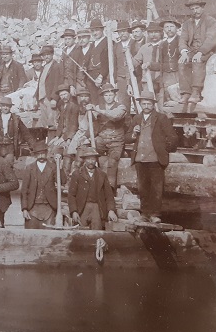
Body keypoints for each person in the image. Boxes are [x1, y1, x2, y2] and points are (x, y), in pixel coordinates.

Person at [124, 91, 178, 223]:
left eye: (149, 103)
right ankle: (145, 214)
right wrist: (133, 134)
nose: (146, 105)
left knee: (156, 188)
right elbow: (127, 137)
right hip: (140, 159)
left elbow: (173, 137)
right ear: (140, 104)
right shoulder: (137, 118)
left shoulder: (161, 118)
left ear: (153, 104)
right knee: (143, 188)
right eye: (144, 103)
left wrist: (164, 150)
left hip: (155, 159)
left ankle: (155, 214)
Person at [179, 0, 216, 112]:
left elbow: (211, 39)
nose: (195, 11)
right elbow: (183, 39)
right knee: (182, 62)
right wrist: (184, 52)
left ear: (202, 8)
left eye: (197, 8)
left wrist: (201, 52)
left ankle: (196, 91)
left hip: (207, 50)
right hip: (192, 50)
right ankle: (186, 92)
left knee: (197, 61)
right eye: (192, 9)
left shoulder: (210, 21)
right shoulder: (187, 23)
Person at [67, 146, 117, 230]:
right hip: (82, 208)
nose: (91, 162)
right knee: (81, 233)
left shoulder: (102, 175)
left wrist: (111, 210)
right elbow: (71, 195)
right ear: (84, 160)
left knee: (97, 233)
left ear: (96, 160)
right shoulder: (77, 174)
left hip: (97, 208)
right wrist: (74, 211)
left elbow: (109, 195)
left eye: (93, 159)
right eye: (88, 159)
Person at [90, 83, 127, 186]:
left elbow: (115, 116)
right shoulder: (98, 106)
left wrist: (98, 110)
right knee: (90, 155)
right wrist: (90, 110)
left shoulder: (121, 107)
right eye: (106, 95)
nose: (108, 97)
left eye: (110, 95)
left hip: (116, 141)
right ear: (103, 96)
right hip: (101, 139)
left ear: (115, 95)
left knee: (112, 163)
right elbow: (92, 120)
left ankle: (110, 190)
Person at [21, 141, 61, 229]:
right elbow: (24, 191)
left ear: (46, 153)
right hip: (32, 207)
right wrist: (24, 209)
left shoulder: (53, 167)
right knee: (31, 236)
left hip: (49, 207)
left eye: (43, 154)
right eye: (38, 154)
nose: (41, 156)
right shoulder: (29, 168)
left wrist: (58, 164)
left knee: (50, 236)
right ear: (35, 155)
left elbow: (63, 180)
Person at [0, 95, 34, 166]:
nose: (6, 108)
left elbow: (25, 133)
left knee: (8, 166)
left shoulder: (16, 119)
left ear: (10, 107)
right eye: (4, 106)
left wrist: (33, 144)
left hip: (10, 147)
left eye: (8, 106)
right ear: (1, 106)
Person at [34, 45, 64, 134]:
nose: (46, 57)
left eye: (48, 54)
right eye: (44, 55)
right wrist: (36, 96)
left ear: (52, 54)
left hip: (50, 98)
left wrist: (54, 98)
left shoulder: (56, 66)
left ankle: (53, 141)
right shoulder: (45, 67)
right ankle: (45, 144)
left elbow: (58, 83)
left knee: (52, 122)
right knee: (44, 123)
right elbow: (41, 83)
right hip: (42, 98)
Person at [133, 22, 164, 102]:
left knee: (162, 105)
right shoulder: (144, 47)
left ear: (161, 32)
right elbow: (136, 61)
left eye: (156, 32)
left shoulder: (165, 45)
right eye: (151, 32)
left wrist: (150, 65)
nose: (153, 35)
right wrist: (129, 60)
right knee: (148, 103)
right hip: (147, 81)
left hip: (162, 82)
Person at [66, 28, 97, 100]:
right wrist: (72, 86)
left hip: (92, 82)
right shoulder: (76, 51)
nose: (81, 40)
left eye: (84, 37)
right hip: (79, 83)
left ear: (89, 37)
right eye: (79, 38)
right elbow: (70, 70)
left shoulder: (94, 49)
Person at [158, 17, 182, 107]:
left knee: (179, 95)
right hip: (166, 75)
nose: (169, 29)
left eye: (171, 26)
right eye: (166, 27)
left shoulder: (181, 41)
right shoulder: (162, 44)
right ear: (163, 29)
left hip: (179, 73)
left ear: (176, 28)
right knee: (168, 97)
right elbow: (160, 61)